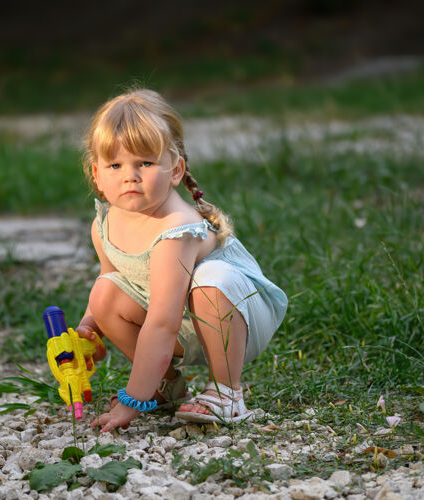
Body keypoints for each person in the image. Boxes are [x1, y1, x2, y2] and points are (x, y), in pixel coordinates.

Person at [74, 88, 287, 433]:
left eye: (144, 162)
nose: (130, 175)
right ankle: (166, 386)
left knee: (211, 279)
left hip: (238, 317)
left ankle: (226, 391)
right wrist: (88, 327)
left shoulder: (176, 229)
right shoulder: (105, 225)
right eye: (115, 165)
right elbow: (111, 276)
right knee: (104, 294)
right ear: (97, 175)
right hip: (182, 322)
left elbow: (162, 322)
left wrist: (131, 400)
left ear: (175, 170)